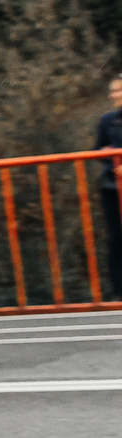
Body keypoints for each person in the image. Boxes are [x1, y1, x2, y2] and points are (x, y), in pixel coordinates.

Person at [94, 75, 122, 296]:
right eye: (112, 90)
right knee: (116, 238)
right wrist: (109, 156)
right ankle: (118, 291)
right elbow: (96, 151)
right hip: (112, 186)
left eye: (118, 90)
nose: (114, 95)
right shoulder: (107, 120)